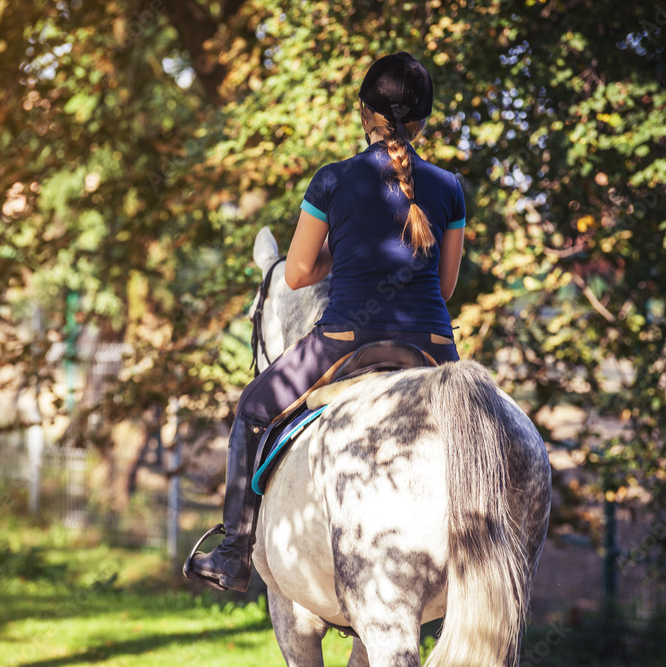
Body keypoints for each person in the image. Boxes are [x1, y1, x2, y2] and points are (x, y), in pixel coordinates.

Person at [184, 52, 467, 593]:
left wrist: (350, 252)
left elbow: (294, 275)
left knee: (250, 411)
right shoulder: (449, 188)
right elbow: (446, 288)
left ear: (363, 113)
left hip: (342, 341)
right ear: (425, 122)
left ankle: (233, 554)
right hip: (435, 347)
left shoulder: (333, 181)